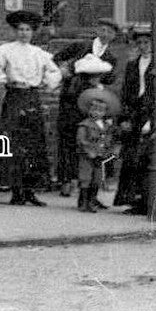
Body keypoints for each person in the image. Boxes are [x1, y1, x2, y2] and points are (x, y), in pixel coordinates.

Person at [0, 9, 62, 206]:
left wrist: (46, 83)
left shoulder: (39, 53)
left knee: (33, 143)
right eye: (20, 29)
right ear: (15, 31)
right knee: (14, 143)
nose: (24, 33)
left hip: (32, 97)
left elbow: (54, 71)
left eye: (27, 29)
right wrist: (5, 80)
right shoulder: (5, 50)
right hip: (15, 97)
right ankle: (16, 190)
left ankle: (30, 190)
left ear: (33, 32)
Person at [113, 27, 156, 216]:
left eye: (147, 43)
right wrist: (125, 118)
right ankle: (138, 202)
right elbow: (127, 93)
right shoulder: (132, 65)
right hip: (137, 116)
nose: (143, 46)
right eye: (140, 43)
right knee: (135, 161)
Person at [52, 18, 119, 198]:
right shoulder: (82, 46)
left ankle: (88, 184)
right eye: (103, 30)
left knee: (91, 139)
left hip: (93, 102)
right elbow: (57, 58)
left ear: (114, 36)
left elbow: (111, 79)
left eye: (110, 32)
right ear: (97, 30)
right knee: (68, 139)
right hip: (72, 98)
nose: (105, 34)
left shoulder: (111, 58)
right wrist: (63, 69)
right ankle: (66, 180)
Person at [76, 86, 120, 213]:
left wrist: (109, 151)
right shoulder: (85, 125)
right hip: (88, 156)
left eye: (100, 110)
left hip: (101, 157)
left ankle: (92, 200)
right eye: (94, 109)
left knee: (97, 178)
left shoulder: (106, 126)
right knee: (86, 178)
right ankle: (83, 202)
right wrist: (90, 151)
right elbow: (81, 140)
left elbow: (109, 139)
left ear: (105, 112)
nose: (96, 113)